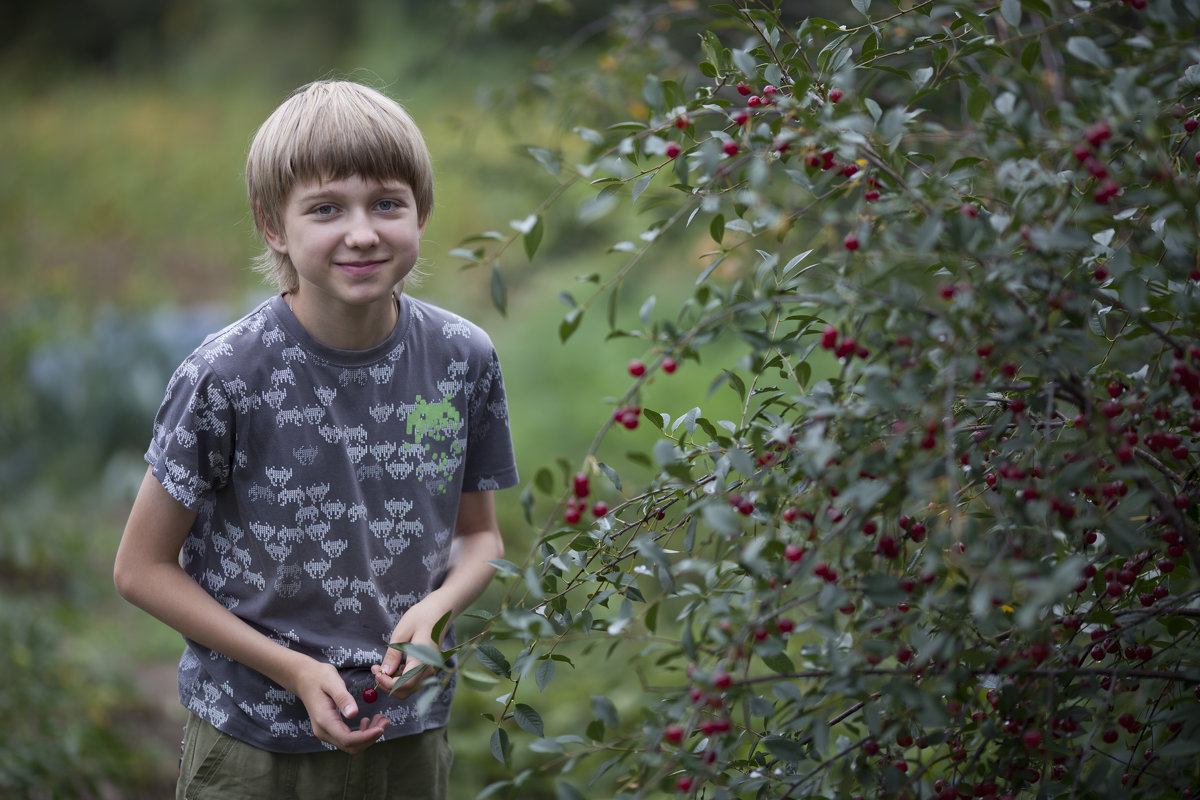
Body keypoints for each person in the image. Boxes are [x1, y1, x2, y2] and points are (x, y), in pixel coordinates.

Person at [113, 79, 519, 799]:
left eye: (386, 203)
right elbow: (141, 569)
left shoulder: (463, 359)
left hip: (408, 733)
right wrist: (293, 670)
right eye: (327, 208)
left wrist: (436, 612)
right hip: (253, 743)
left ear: (421, 212)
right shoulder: (227, 374)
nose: (361, 232)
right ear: (275, 225)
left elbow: (480, 540)